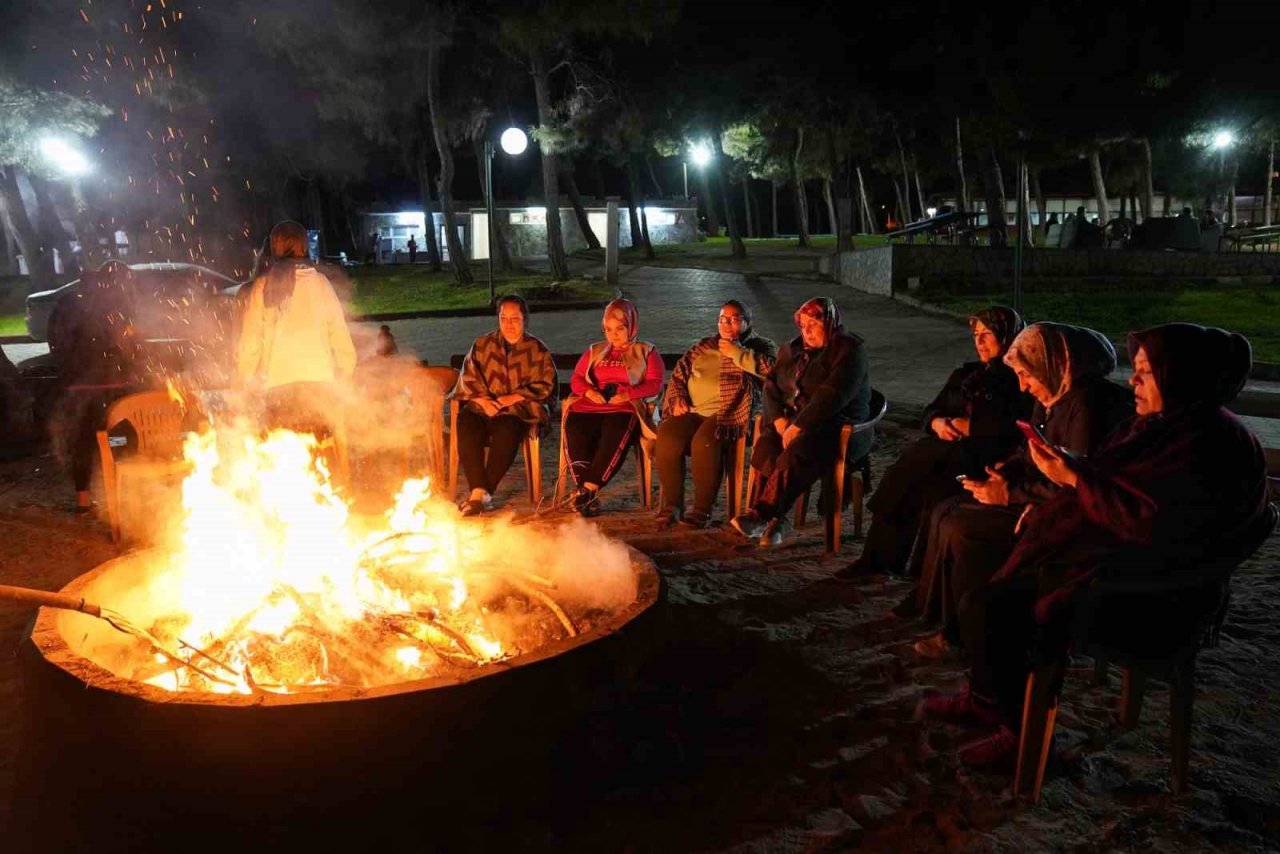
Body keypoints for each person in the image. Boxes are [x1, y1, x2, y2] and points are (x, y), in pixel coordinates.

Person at [921, 323, 1270, 768]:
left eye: (1146, 371)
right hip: (1118, 562)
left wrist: (1072, 478)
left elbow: (1153, 521)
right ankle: (989, 700)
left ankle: (1018, 734)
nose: (1132, 380)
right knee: (990, 585)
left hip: (1156, 594)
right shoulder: (1162, 426)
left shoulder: (1215, 444)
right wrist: (1070, 472)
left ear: (1180, 377)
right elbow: (1119, 481)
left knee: (992, 604)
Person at [907, 322, 1133, 657]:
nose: (1024, 388)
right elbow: (1032, 448)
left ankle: (969, 635)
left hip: (1062, 511)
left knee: (966, 530)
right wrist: (1007, 470)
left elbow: (1076, 481)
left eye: (1028, 376)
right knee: (945, 509)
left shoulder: (1087, 406)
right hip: (1037, 494)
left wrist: (1010, 494)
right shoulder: (1053, 393)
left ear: (1055, 365)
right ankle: (941, 614)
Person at [838, 306, 1028, 578]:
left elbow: (1019, 425)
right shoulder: (966, 375)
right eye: (976, 335)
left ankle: (914, 570)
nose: (980, 342)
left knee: (927, 486)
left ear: (1008, 337)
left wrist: (973, 427)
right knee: (901, 478)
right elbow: (930, 411)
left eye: (988, 334)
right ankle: (878, 560)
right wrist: (938, 423)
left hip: (982, 458)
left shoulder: (1020, 379)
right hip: (940, 451)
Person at [729, 297, 871, 547]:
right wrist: (780, 419)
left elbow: (832, 396)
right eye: (803, 325)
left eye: (813, 326)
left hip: (837, 425)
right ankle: (777, 518)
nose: (806, 332)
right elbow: (771, 387)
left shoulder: (849, 351)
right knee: (769, 443)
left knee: (801, 447)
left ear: (829, 324)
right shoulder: (792, 350)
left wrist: (798, 425)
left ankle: (762, 514)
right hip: (795, 421)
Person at [654, 300, 777, 528]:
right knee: (667, 436)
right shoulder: (704, 346)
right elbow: (679, 374)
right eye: (722, 319)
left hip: (731, 414)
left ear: (747, 322)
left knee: (705, 441)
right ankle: (672, 505)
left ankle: (702, 508)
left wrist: (739, 354)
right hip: (695, 410)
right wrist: (677, 397)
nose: (727, 324)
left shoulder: (760, 346)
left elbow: (773, 372)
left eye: (734, 319)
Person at [237, 220, 357, 438]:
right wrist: (342, 382)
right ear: (304, 247)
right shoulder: (321, 284)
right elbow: (343, 344)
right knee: (317, 451)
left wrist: (246, 387)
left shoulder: (262, 288)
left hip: (277, 397)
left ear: (274, 249)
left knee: (275, 448)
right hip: (320, 394)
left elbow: (250, 346)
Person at [452, 295, 556, 515]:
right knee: (466, 422)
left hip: (516, 412)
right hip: (482, 407)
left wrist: (512, 398)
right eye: (504, 318)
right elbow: (468, 378)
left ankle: (479, 494)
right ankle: (480, 492)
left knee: (507, 428)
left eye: (515, 318)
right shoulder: (482, 345)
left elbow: (546, 385)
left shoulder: (537, 350)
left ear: (524, 319)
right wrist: (483, 401)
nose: (509, 324)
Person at [562, 298, 664, 516]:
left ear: (632, 325)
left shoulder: (647, 351)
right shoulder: (595, 350)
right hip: (591, 404)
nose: (613, 334)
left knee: (614, 432)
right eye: (608, 329)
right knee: (575, 427)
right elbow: (577, 378)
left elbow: (655, 383)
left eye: (620, 328)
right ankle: (585, 492)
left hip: (623, 407)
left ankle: (587, 490)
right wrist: (589, 392)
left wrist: (628, 394)